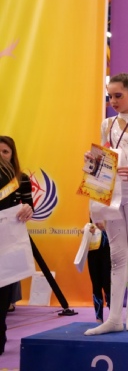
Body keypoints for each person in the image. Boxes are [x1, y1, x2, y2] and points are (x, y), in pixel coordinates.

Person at [84, 73, 128, 336]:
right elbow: (104, 157)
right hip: (111, 193)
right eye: (110, 96)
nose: (113, 101)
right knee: (116, 256)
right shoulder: (107, 124)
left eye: (118, 95)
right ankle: (114, 318)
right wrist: (92, 161)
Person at [0, 136, 34, 355]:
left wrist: (27, 210)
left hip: (9, 240)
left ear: (12, 155)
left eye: (5, 152)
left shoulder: (20, 179)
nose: (1, 156)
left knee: (3, 291)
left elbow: (29, 206)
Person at [87, 221, 111, 323]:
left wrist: (105, 228)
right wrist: (86, 230)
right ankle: (98, 317)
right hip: (93, 253)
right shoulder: (92, 214)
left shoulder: (110, 214)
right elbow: (89, 225)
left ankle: (113, 316)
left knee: (107, 285)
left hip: (107, 252)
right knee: (96, 285)